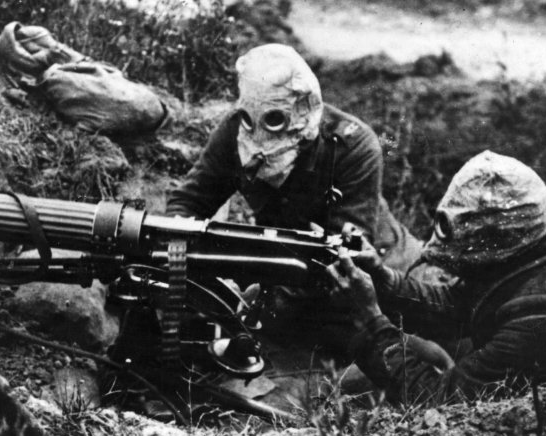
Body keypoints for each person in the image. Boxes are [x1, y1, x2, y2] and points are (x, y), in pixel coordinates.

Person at [327, 150, 546, 404]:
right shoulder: (541, 239)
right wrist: (385, 282)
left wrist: (370, 322)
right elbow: (460, 304)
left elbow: (439, 399)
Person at [165, 43, 422, 273]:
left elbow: (347, 257)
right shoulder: (235, 130)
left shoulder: (353, 147)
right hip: (287, 260)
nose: (259, 133)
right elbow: (190, 201)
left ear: (303, 110)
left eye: (275, 119)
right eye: (249, 116)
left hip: (381, 267)